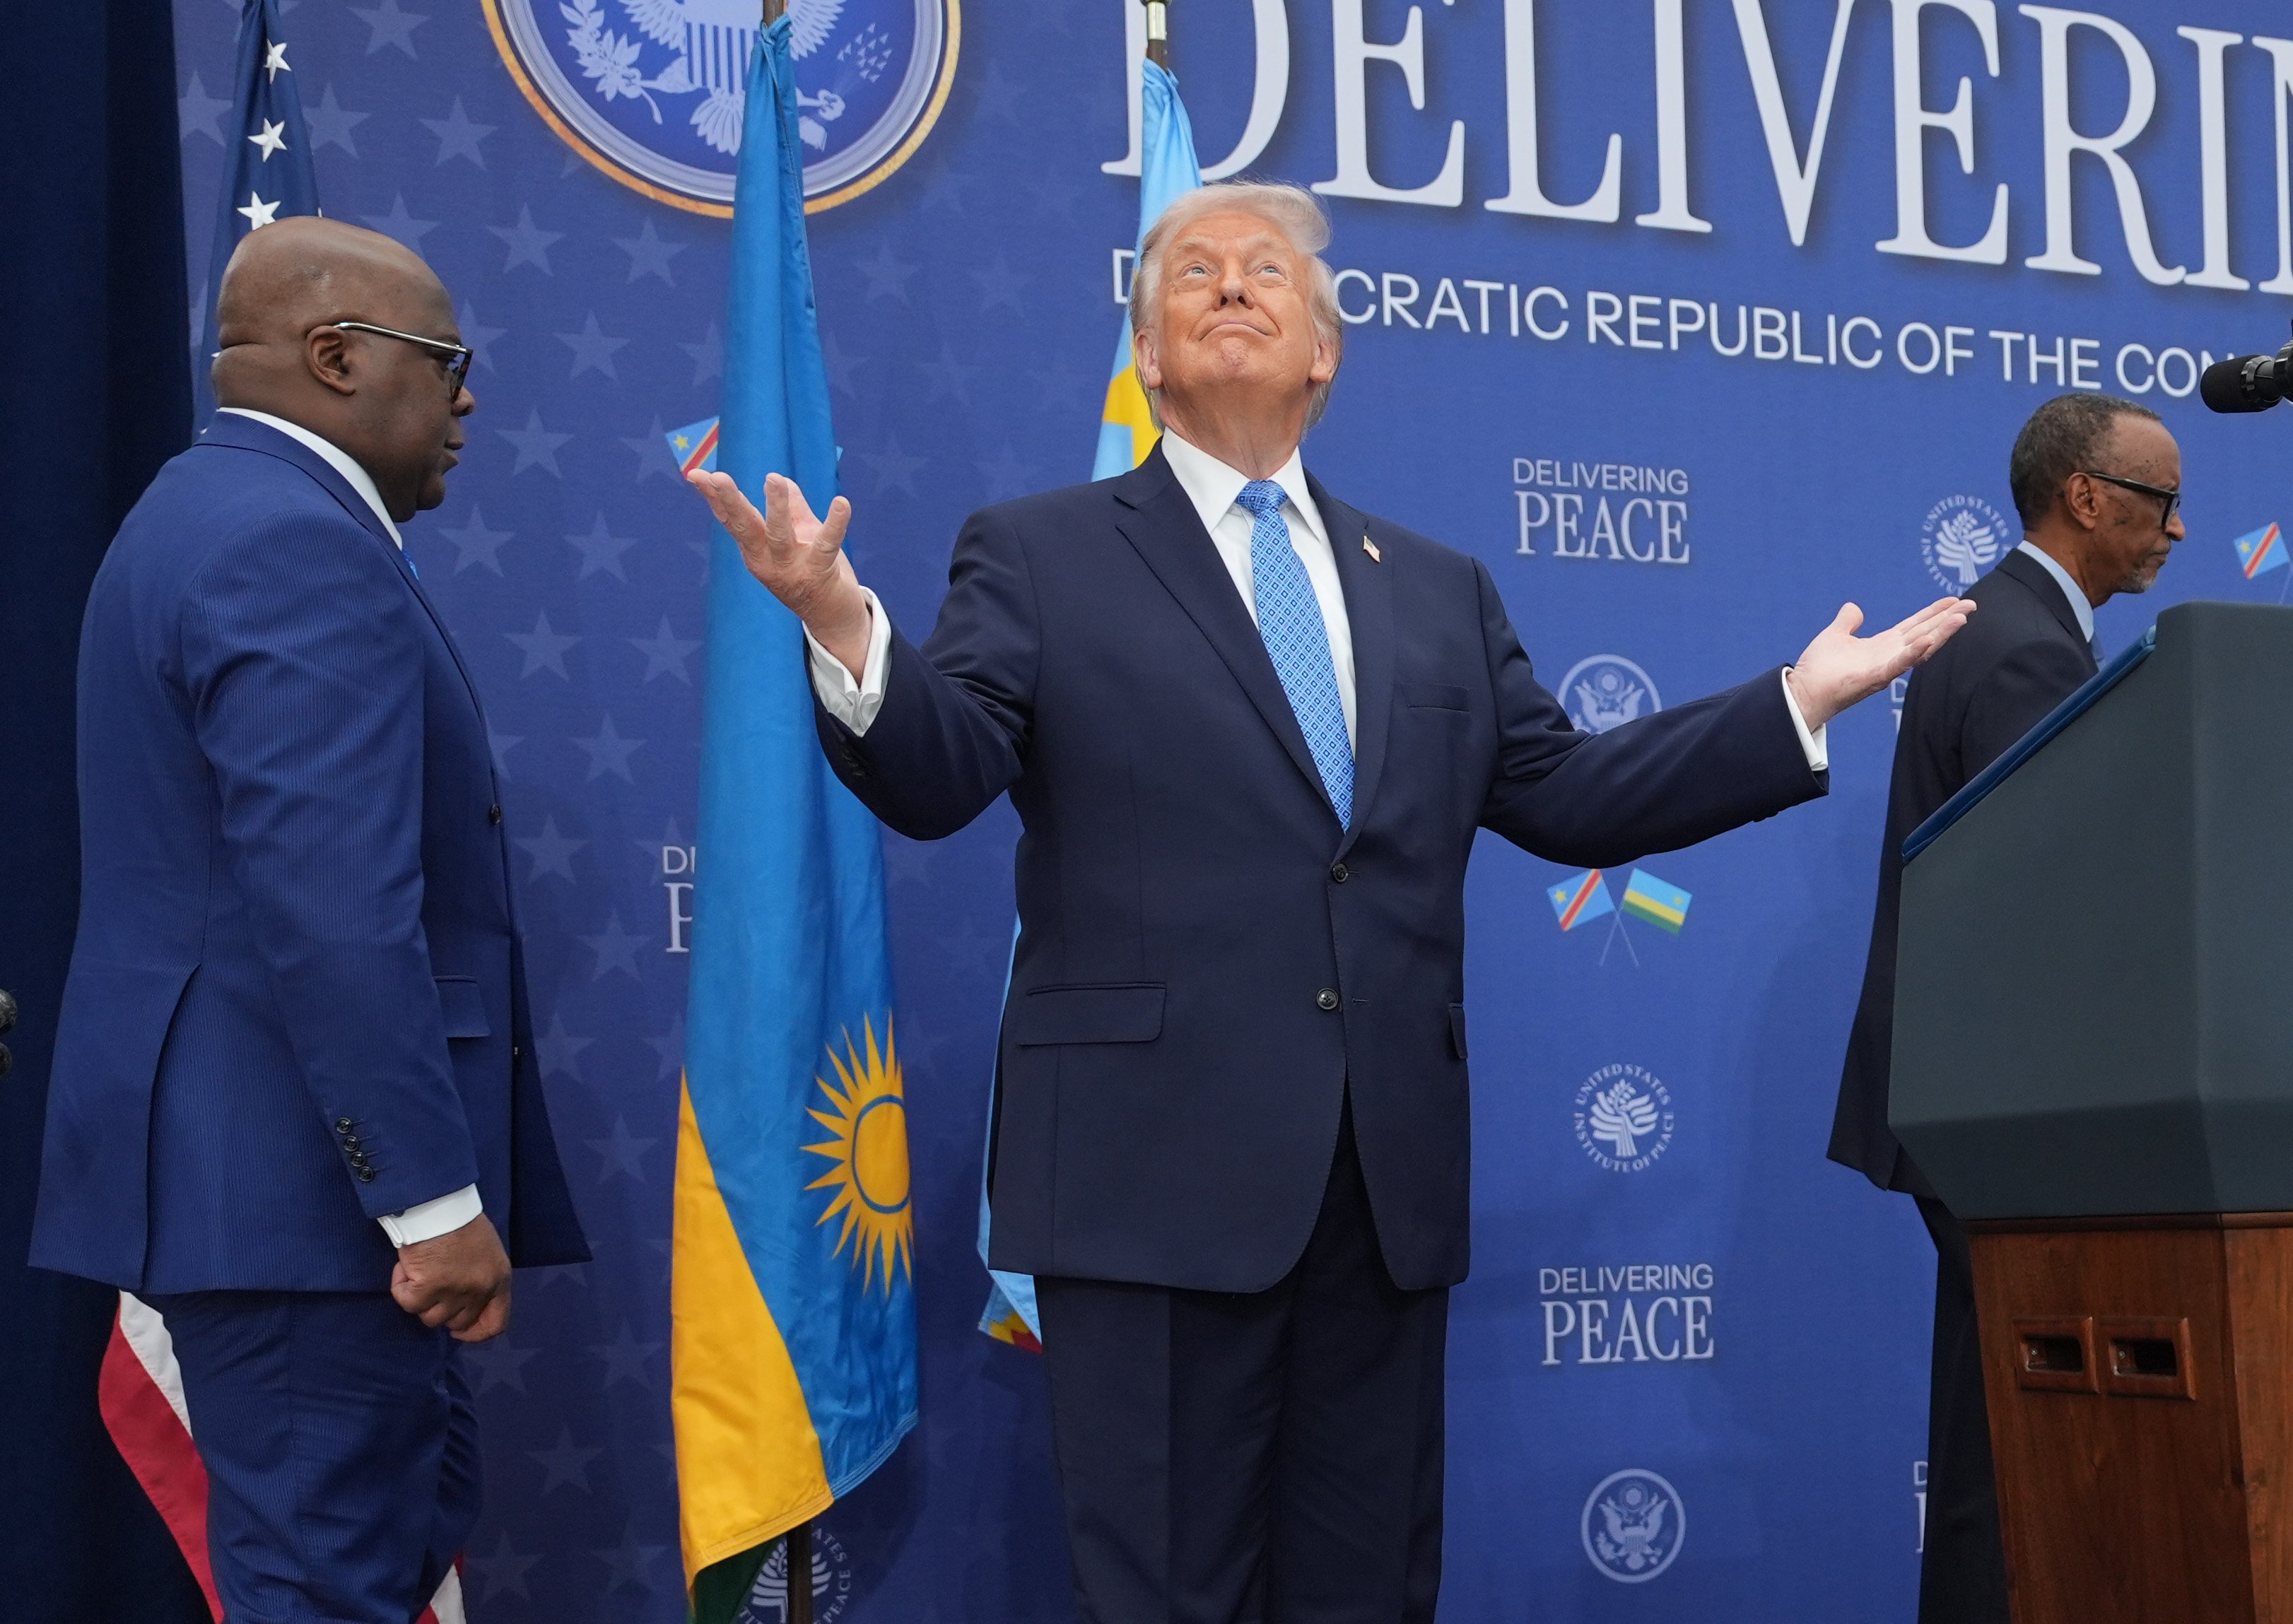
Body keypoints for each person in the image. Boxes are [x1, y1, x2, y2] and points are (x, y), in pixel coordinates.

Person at [693, 180, 1972, 1624]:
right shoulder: (1040, 550)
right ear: (1150, 357)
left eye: (1266, 274)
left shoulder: (1436, 586)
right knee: (1173, 1594)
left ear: (1326, 354)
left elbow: (1565, 796)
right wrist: (838, 619)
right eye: (1191, 275)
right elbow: (942, 770)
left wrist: (1795, 702)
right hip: (1150, 1185)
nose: (1230, 286)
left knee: (1366, 1595)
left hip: (1382, 1187)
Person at [32, 218, 587, 1623]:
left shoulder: (202, 511)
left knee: (356, 1570)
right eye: (450, 365)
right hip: (301, 1210)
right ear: (336, 358)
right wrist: (430, 1198)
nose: (467, 402)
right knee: (326, 1591)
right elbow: (334, 912)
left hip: (260, 1202)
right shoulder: (288, 540)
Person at [1828, 390, 2183, 1623]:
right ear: (2086, 498)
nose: (2178, 531)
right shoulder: (2030, 644)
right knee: (2009, 1450)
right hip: (2005, 1112)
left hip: (1976, 1105)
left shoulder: (2013, 622)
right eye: (2159, 502)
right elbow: (2049, 900)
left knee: (1993, 1441)